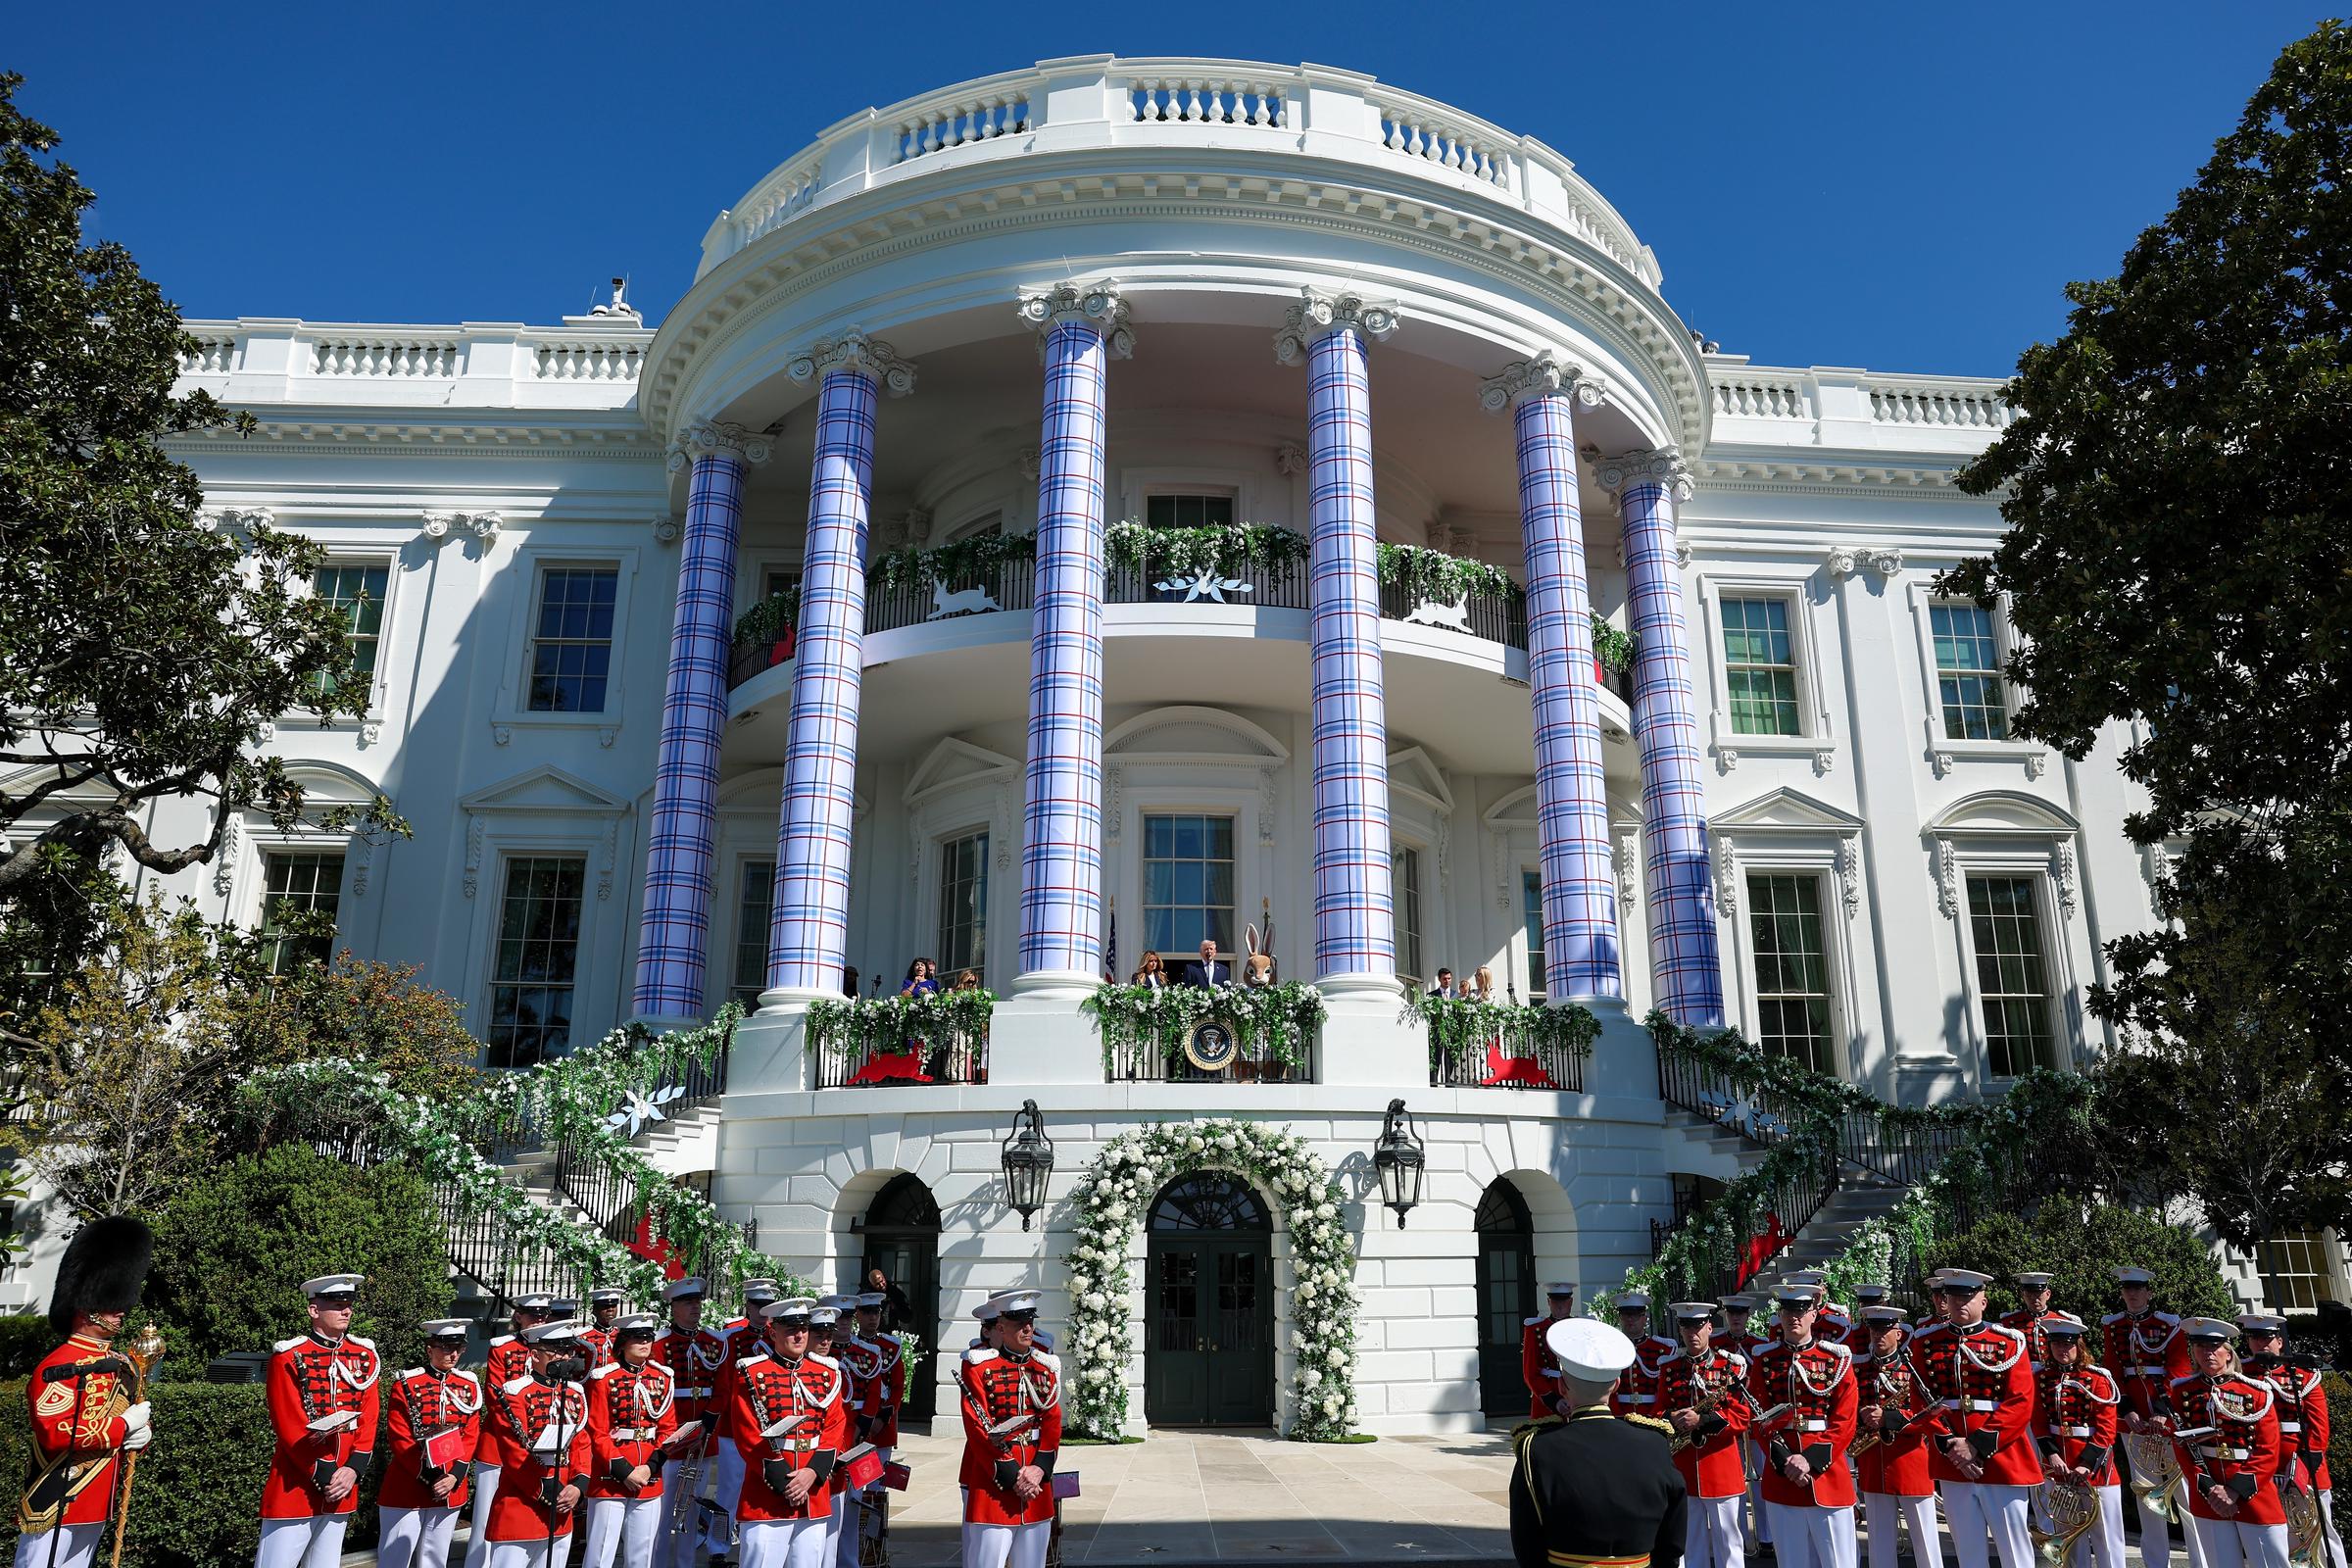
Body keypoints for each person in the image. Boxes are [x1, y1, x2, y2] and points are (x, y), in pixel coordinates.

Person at [16, 1216, 155, 1568]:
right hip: (60, 1495)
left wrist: (140, 1434)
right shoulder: (59, 1364)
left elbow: (126, 1412)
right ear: (86, 1306)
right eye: (112, 1302)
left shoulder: (119, 1361)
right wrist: (123, 1427)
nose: (121, 1310)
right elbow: (55, 1432)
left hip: (98, 1496)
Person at [1509, 1317, 1688, 1568]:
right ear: (1616, 1385)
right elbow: (1672, 1542)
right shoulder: (1655, 1443)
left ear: (1561, 1386)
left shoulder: (1536, 1449)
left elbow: (1526, 1544)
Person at [1911, 1268, 2038, 1568]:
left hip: (2001, 1458)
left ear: (1983, 1300)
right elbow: (1920, 1399)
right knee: (1968, 1552)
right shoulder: (1927, 1341)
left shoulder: (2009, 1341)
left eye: (1967, 1296)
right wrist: (1950, 1444)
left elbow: (2020, 1401)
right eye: (1952, 1296)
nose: (1958, 1303)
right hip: (1953, 1459)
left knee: (2015, 1552)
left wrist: (1976, 1446)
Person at [259, 1273, 382, 1568]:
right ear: (314, 1310)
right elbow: (288, 1422)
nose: (347, 1311)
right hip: (297, 1485)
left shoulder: (364, 1355)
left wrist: (354, 1467)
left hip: (343, 1485)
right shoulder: (288, 1356)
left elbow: (369, 1415)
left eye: (349, 1304)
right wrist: (324, 1471)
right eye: (338, 1305)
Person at [731, 1298, 851, 1568]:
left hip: (814, 1490)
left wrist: (812, 1473)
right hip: (767, 1493)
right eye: (791, 1330)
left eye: (804, 1329)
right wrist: (787, 1482)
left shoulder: (826, 1374)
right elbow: (748, 1434)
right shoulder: (751, 1373)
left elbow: (834, 1426)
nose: (799, 1336)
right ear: (773, 1332)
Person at [1746, 1286, 1857, 1568]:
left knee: (1838, 1562)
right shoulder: (1765, 1359)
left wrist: (1809, 1461)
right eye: (1787, 1311)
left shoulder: (1836, 1359)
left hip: (1827, 1474)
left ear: (1813, 1314)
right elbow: (1758, 1419)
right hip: (1782, 1475)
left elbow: (1844, 1422)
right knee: (1791, 1561)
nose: (1793, 1317)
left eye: (1800, 1311)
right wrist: (1786, 1462)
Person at [2168, 1318, 2288, 1568]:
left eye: (2214, 1347)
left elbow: (2267, 1449)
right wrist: (2210, 1488)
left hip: (2252, 1491)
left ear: (2227, 1352)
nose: (2207, 1353)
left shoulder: (2256, 1391)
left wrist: (2234, 1490)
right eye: (2200, 1347)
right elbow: (2181, 1446)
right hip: (2208, 1492)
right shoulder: (2182, 1391)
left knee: (2271, 1562)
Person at [959, 1290, 1060, 1568]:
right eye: (1019, 1323)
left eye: (1030, 1321)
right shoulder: (977, 1367)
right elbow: (977, 1427)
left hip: (1036, 1486)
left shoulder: (1045, 1367)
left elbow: (1052, 1421)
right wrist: (1014, 1475)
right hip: (996, 1484)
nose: (1027, 1328)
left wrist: (1039, 1468)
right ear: (1001, 1327)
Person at [2104, 1265, 2196, 1568]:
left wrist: (2161, 1411)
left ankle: (2201, 1561)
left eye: (2138, 1289)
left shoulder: (2169, 1325)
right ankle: (2157, 1562)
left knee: (2185, 1494)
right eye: (2127, 1290)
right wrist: (2127, 1409)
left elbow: (2179, 1369)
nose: (2132, 1294)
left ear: (2148, 1293)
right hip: (2135, 1423)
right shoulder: (2114, 1326)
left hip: (2166, 1418)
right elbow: (2113, 1371)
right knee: (2146, 1495)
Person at [482, 1322, 593, 1568]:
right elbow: (515, 1453)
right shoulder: (514, 1393)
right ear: (534, 1355)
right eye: (556, 1351)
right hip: (522, 1506)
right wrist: (552, 1493)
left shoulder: (574, 1393)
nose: (564, 1357)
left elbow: (581, 1445)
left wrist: (579, 1485)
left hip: (564, 1505)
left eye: (568, 1351)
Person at [1657, 1301, 1755, 1568]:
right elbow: (1658, 1411)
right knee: (1690, 1543)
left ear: (1710, 1328)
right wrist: (1672, 1417)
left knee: (1729, 1544)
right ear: (1680, 1330)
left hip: (1720, 1466)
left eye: (1698, 1327)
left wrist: (1702, 1420)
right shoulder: (1670, 1369)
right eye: (1687, 1328)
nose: (1693, 1334)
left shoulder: (1731, 1366)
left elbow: (1742, 1416)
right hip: (1684, 1468)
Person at [2241, 1312, 2343, 1568]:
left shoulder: (2302, 1376)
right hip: (2263, 1468)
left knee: (2321, 1533)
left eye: (2267, 1338)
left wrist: (2305, 1466)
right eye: (2254, 1337)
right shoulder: (2241, 1375)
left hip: (2303, 1465)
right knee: (2277, 1536)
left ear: (2279, 1341)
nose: (2261, 1343)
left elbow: (2319, 1429)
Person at [379, 1319, 482, 1568]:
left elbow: (470, 1435)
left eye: (458, 1348)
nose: (453, 1354)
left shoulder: (468, 1385)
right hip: (409, 1483)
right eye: (446, 1348)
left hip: (450, 1484)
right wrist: (432, 1476)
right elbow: (400, 1438)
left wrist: (454, 1476)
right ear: (429, 1349)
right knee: (395, 1558)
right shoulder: (406, 1384)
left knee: (435, 1558)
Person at [466, 1293, 558, 1568]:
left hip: (541, 1447)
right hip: (498, 1445)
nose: (538, 1320)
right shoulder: (502, 1349)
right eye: (532, 1315)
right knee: (485, 1515)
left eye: (543, 1315)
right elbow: (497, 1400)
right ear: (518, 1317)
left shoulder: (552, 1350)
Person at [584, 1313, 675, 1568]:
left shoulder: (663, 1377)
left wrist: (650, 1467)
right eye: (637, 1338)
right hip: (610, 1476)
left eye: (648, 1337)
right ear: (622, 1342)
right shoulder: (603, 1379)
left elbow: (668, 1430)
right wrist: (624, 1470)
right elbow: (596, 1432)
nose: (644, 1343)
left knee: (641, 1555)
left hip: (649, 1474)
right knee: (600, 1554)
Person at [2032, 1314, 2124, 1568]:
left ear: (2078, 1345)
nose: (2063, 1349)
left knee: (2107, 1536)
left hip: (2095, 1469)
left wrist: (2086, 1463)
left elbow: (2107, 1429)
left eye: (2068, 1344)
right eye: (2057, 1344)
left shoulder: (2098, 1378)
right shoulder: (2041, 1378)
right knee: (2068, 1534)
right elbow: (2038, 1422)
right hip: (2058, 1467)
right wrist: (2052, 1456)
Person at [1854, 1302, 1941, 1568]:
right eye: (1874, 1330)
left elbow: (1931, 1413)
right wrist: (1861, 1416)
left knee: (1925, 1541)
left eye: (1885, 1330)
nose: (1879, 1335)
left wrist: (1889, 1418)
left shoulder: (1914, 1368)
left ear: (1899, 1333)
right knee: (1879, 1544)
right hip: (1872, 1462)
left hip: (1910, 1462)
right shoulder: (1859, 1369)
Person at [650, 1278, 725, 1568]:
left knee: (691, 1508)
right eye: (688, 1302)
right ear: (674, 1307)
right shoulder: (660, 1343)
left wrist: (707, 1423)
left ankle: (685, 1563)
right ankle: (656, 1563)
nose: (695, 1307)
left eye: (697, 1302)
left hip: (702, 1436)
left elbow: (723, 1386)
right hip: (671, 1437)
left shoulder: (714, 1342)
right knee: (662, 1509)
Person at [710, 1279, 782, 1565]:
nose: (763, 1312)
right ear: (748, 1306)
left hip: (772, 1427)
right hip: (735, 1427)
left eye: (768, 1306)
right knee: (729, 1489)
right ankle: (718, 1547)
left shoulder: (778, 1335)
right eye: (759, 1306)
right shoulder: (731, 1338)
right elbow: (726, 1384)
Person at [1610, 1292, 1676, 1419]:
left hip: (1651, 1414)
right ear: (1619, 1318)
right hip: (1621, 1414)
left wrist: (1655, 1415)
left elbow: (1665, 1389)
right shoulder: (1611, 1349)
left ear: (1644, 1318)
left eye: (1634, 1315)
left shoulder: (1662, 1349)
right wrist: (1616, 1415)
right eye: (1625, 1315)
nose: (1629, 1320)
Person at [1522, 1283, 1579, 1419]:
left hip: (1576, 1395)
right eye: (1555, 1301)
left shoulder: (1581, 1327)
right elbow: (1530, 1373)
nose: (1560, 1305)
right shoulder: (1535, 1330)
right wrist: (1554, 1401)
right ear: (1548, 1302)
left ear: (1570, 1302)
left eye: (1564, 1301)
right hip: (1546, 1397)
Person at [2003, 1273, 2061, 1375]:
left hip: (2053, 1374)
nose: (2034, 1298)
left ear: (2048, 1294)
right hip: (2022, 1372)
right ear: (2023, 1295)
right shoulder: (2010, 1322)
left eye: (2038, 1294)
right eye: (2029, 1294)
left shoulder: (2060, 1321)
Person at [581, 1288, 626, 1370]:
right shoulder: (583, 1338)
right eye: (605, 1306)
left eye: (614, 1306)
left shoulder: (622, 1336)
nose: (610, 1309)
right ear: (594, 1310)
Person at [862, 1267, 913, 1336]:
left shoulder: (895, 1292)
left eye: (882, 1281)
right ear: (872, 1285)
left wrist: (895, 1308)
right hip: (873, 1333)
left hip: (892, 1332)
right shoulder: (867, 1294)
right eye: (877, 1284)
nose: (881, 1285)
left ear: (884, 1277)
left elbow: (907, 1317)